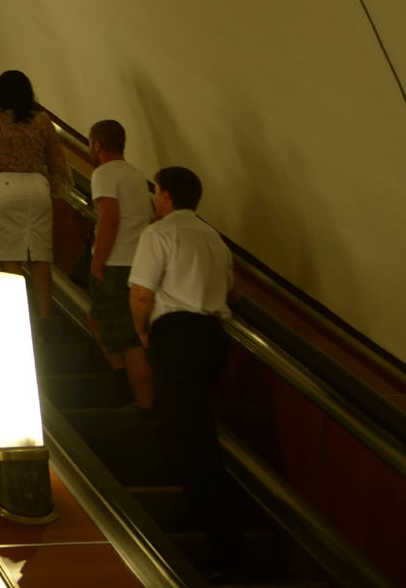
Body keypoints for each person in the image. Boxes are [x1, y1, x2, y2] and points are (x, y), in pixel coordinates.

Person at [130, 166, 241, 573]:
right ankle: (201, 516)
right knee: (194, 431)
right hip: (213, 337)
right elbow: (233, 291)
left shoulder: (158, 234)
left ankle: (223, 543)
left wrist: (142, 333)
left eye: (155, 192)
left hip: (176, 336)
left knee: (193, 439)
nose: (154, 199)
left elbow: (142, 293)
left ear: (166, 196)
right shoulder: (214, 237)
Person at [0, 70, 69, 320]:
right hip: (38, 189)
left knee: (9, 255)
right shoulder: (43, 121)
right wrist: (53, 191)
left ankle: (19, 317)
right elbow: (57, 161)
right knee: (40, 256)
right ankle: (44, 317)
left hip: (2, 188)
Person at [86, 119, 154, 411]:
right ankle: (126, 384)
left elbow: (109, 220)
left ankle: (144, 406)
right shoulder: (137, 176)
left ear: (97, 144)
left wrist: (97, 264)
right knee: (114, 327)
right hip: (139, 266)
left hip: (115, 264)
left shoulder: (104, 174)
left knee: (129, 341)